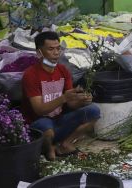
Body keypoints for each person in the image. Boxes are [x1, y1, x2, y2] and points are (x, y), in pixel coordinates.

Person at [21, 31, 100, 161]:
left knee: (93, 111)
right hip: (39, 123)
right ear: (39, 52)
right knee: (47, 130)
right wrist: (64, 97)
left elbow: (70, 104)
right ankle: (48, 148)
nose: (56, 53)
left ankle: (65, 144)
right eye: (51, 49)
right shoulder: (31, 75)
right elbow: (39, 110)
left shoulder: (63, 70)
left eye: (58, 48)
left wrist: (82, 100)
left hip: (60, 120)